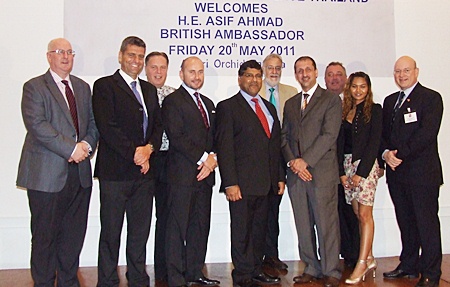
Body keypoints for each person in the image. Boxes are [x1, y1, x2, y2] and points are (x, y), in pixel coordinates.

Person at [16, 38, 99, 286]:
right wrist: (70, 149)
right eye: (59, 52)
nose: (65, 56)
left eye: (69, 52)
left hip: (80, 175)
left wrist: (86, 146)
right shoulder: (34, 87)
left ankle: (68, 282)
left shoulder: (83, 87)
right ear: (49, 56)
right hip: (46, 176)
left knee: (73, 236)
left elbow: (93, 124)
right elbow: (38, 126)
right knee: (44, 237)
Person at [93, 36, 163, 287]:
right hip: (115, 173)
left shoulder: (149, 89)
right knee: (111, 233)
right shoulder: (104, 86)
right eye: (131, 55)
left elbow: (157, 125)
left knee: (139, 232)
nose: (136, 61)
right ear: (121, 56)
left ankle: (137, 278)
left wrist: (148, 150)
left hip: (144, 174)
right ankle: (108, 280)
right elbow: (107, 126)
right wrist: (136, 154)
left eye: (140, 57)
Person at [216, 60, 285, 287]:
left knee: (259, 231)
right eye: (249, 75)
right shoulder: (228, 107)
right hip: (241, 186)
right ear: (239, 79)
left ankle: (256, 270)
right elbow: (224, 148)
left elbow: (274, 146)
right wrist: (230, 183)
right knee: (242, 233)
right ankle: (243, 275)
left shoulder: (269, 107)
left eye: (257, 76)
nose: (254, 80)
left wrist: (279, 177)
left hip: (266, 184)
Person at [381, 56, 443, 287]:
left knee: (426, 225)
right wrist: (386, 153)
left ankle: (431, 273)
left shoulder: (430, 98)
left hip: (422, 175)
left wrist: (399, 155)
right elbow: (382, 134)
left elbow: (426, 135)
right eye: (397, 71)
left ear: (416, 71)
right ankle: (408, 265)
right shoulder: (390, 102)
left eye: (406, 70)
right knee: (405, 222)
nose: (402, 75)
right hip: (397, 174)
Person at [281, 56, 342, 287]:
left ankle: (331, 271)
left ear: (316, 72)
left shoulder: (330, 100)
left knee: (326, 224)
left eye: (308, 69)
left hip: (322, 173)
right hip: (296, 175)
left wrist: (305, 161)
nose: (304, 74)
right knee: (303, 225)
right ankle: (312, 266)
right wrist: (293, 163)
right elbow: (284, 137)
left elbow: (329, 135)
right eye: (299, 70)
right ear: (296, 75)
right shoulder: (291, 103)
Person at [162, 56, 220, 287]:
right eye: (191, 72)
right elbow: (177, 137)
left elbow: (215, 137)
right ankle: (176, 278)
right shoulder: (173, 101)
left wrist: (213, 158)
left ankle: (195, 272)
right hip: (182, 177)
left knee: (200, 227)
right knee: (176, 229)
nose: (196, 76)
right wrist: (206, 159)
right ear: (181, 74)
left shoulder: (208, 103)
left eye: (200, 72)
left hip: (205, 178)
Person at [336, 72, 382, 284]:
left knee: (365, 215)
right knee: (356, 213)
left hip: (365, 166)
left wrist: (361, 173)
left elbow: (374, 143)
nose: (358, 90)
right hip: (347, 165)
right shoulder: (346, 109)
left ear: (368, 88)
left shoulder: (375, 110)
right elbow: (339, 144)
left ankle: (362, 263)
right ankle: (370, 256)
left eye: (363, 86)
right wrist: (342, 173)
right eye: (354, 86)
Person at [259, 54, 297, 271]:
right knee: (258, 211)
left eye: (278, 68)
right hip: (258, 160)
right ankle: (255, 256)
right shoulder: (254, 91)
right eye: (270, 67)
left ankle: (271, 255)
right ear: (264, 69)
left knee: (273, 210)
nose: (274, 71)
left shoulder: (291, 93)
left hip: (283, 159)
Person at [144, 51, 176, 282]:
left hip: (169, 161)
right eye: (153, 67)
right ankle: (136, 268)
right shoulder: (138, 93)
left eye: (162, 67)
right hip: (145, 160)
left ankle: (164, 267)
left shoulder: (174, 95)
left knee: (166, 216)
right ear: (146, 69)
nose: (158, 71)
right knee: (142, 218)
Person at [325, 62, 359, 268]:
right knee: (330, 214)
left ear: (345, 79)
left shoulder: (355, 104)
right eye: (330, 75)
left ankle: (353, 256)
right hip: (326, 168)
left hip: (350, 168)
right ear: (325, 79)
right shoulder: (320, 103)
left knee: (350, 214)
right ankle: (330, 255)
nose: (335, 78)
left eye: (339, 74)